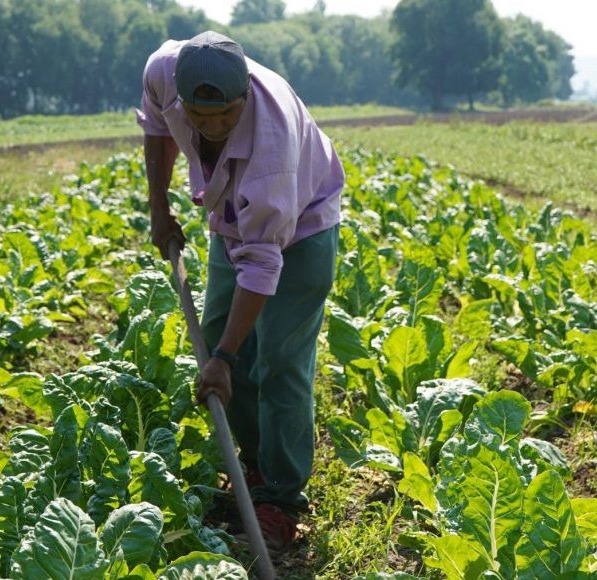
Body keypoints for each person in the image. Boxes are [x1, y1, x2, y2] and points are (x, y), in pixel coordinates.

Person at [136, 30, 343, 554]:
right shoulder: (164, 71)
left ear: (245, 94)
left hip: (302, 229)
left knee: (278, 361)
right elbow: (158, 126)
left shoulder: (272, 155)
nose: (212, 128)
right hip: (231, 218)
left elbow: (262, 264)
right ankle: (253, 466)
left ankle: (281, 499)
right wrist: (158, 207)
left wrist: (225, 359)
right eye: (199, 117)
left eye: (225, 115)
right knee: (216, 336)